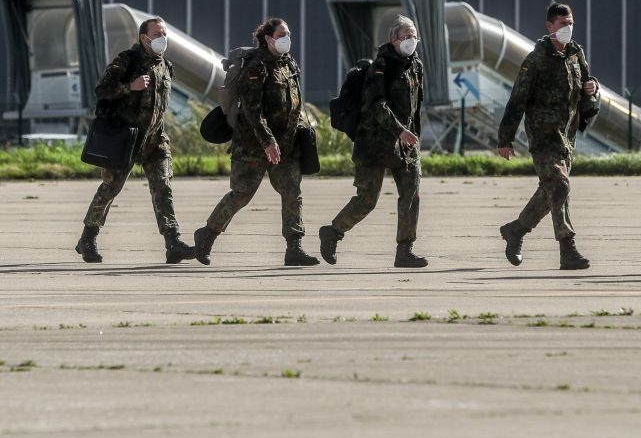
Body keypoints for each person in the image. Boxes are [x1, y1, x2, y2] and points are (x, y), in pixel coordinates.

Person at [193, 18, 318, 266]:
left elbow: (294, 103)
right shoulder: (256, 67)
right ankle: (207, 234)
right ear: (268, 39)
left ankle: (295, 247)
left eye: (288, 34)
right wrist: (268, 142)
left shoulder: (289, 64)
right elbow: (252, 111)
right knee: (241, 194)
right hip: (252, 145)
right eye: (282, 35)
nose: (287, 39)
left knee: (292, 191)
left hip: (286, 145)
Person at [76, 18, 196, 264]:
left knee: (163, 188)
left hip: (155, 140)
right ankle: (88, 238)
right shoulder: (127, 60)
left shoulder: (166, 66)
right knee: (110, 188)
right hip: (126, 139)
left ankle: (173, 242)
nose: (163, 37)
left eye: (165, 33)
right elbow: (101, 90)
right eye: (158, 33)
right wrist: (130, 86)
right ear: (144, 37)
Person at [318, 15, 428, 268]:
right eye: (406, 37)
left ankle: (405, 251)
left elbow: (415, 107)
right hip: (374, 142)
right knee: (367, 200)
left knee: (411, 195)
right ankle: (333, 232)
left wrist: (413, 136)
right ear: (393, 40)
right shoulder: (381, 65)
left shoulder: (416, 65)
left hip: (406, 143)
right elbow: (376, 104)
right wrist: (399, 130)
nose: (411, 41)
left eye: (414, 37)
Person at [497, 2, 599, 270]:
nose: (569, 28)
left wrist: (593, 88)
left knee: (553, 190)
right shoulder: (535, 60)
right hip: (543, 137)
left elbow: (587, 87)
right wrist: (505, 139)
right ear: (550, 26)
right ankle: (568, 249)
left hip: (567, 137)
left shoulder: (576, 54)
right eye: (563, 24)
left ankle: (516, 229)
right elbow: (517, 100)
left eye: (571, 22)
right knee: (561, 186)